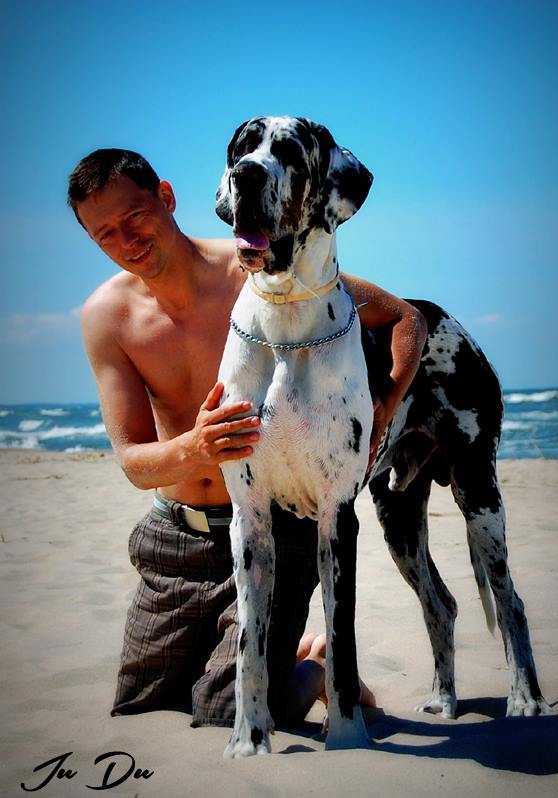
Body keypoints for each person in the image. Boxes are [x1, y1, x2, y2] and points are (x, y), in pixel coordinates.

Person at [68, 148, 427, 729]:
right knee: (141, 707)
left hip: (273, 532)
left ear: (166, 197)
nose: (125, 240)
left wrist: (382, 408)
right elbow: (134, 462)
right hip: (175, 544)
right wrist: (195, 447)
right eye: (104, 233)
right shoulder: (107, 317)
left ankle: (316, 668)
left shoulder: (259, 270)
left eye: (134, 216)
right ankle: (284, 651)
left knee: (223, 708)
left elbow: (405, 318)